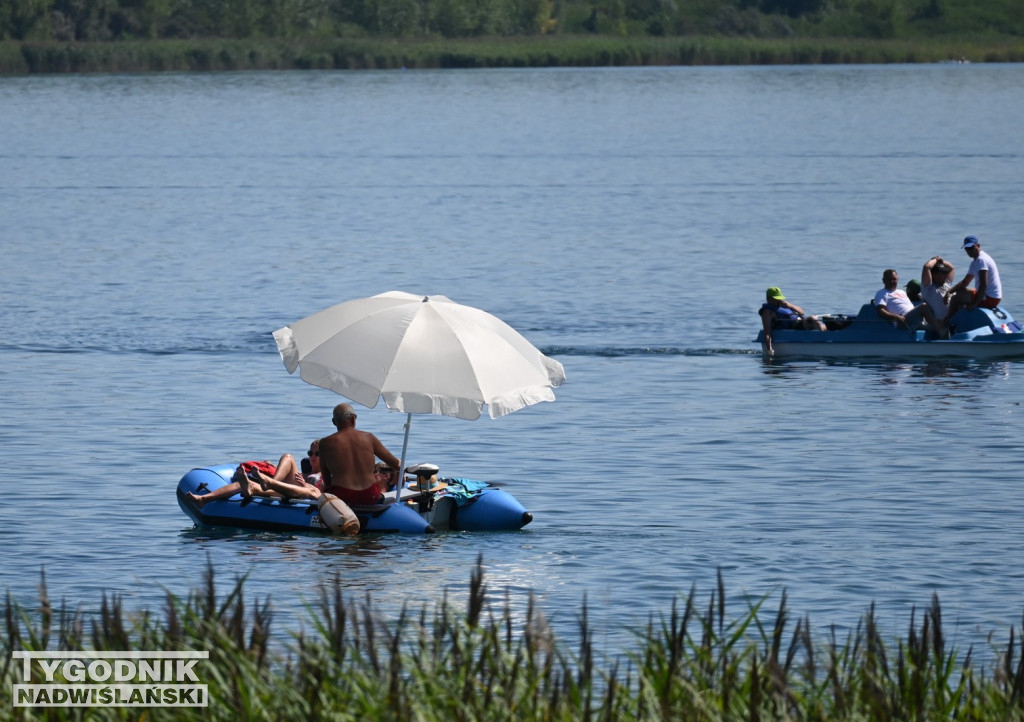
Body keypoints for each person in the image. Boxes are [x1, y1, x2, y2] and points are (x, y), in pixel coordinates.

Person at [185, 443, 321, 508]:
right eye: (310, 453)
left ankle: (267, 484)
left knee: (254, 486)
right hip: (284, 487)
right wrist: (273, 467)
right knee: (288, 457)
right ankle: (204, 498)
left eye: (317, 454)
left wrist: (304, 484)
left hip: (297, 493)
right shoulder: (304, 471)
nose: (312, 457)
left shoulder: (323, 475)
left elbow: (321, 492)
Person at [318, 403, 401, 506]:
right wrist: (400, 473)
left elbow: (326, 479)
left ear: (334, 422)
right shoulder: (369, 438)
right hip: (370, 496)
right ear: (353, 418)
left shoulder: (325, 443)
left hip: (342, 498)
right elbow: (396, 464)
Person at [946, 235, 1003, 321]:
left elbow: (984, 285)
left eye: (972, 248)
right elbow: (965, 282)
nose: (969, 251)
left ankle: (947, 324)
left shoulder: (981, 260)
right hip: (989, 295)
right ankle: (959, 322)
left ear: (978, 246)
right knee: (960, 291)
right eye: (967, 249)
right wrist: (949, 291)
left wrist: (974, 304)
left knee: (955, 298)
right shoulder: (974, 262)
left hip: (991, 298)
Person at [758, 286, 826, 357]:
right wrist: (769, 349)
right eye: (776, 299)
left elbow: (802, 312)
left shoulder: (784, 305)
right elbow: (767, 331)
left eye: (779, 298)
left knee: (826, 326)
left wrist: (790, 305)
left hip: (802, 323)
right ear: (769, 299)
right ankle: (824, 340)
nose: (779, 300)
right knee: (813, 318)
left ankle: (830, 331)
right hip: (793, 327)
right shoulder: (767, 312)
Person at [874, 268, 938, 330]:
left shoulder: (901, 292)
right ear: (883, 280)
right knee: (924, 306)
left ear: (897, 279)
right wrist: (896, 317)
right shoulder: (882, 293)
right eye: (889, 279)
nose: (892, 281)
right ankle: (940, 330)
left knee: (937, 325)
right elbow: (880, 310)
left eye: (894, 279)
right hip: (903, 321)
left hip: (915, 320)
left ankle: (940, 331)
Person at [920, 256, 955, 334]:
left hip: (952, 319)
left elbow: (952, 268)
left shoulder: (946, 283)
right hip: (939, 323)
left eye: (944, 272)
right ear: (933, 274)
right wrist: (935, 260)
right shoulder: (928, 287)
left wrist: (941, 261)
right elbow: (926, 267)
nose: (944, 275)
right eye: (940, 273)